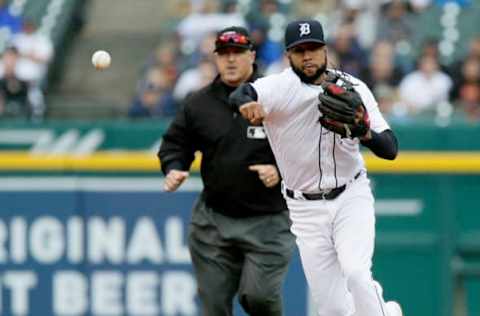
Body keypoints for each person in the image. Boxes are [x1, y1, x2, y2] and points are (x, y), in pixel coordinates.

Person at [230, 19, 403, 316]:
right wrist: (247, 105)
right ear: (288, 56)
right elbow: (241, 94)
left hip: (351, 195)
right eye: (300, 51)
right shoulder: (279, 87)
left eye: (313, 48)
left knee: (357, 275)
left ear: (325, 50)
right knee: (333, 309)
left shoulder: (354, 88)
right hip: (304, 208)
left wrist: (364, 133)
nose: (307, 56)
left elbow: (390, 148)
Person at [158, 26, 295, 316]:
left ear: (252, 56)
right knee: (213, 307)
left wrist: (280, 170)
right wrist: (174, 167)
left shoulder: (276, 97)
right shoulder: (199, 102)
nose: (230, 60)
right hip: (214, 221)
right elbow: (175, 144)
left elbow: (306, 150)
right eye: (224, 54)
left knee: (259, 298)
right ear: (216, 59)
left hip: (268, 220)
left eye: (237, 53)